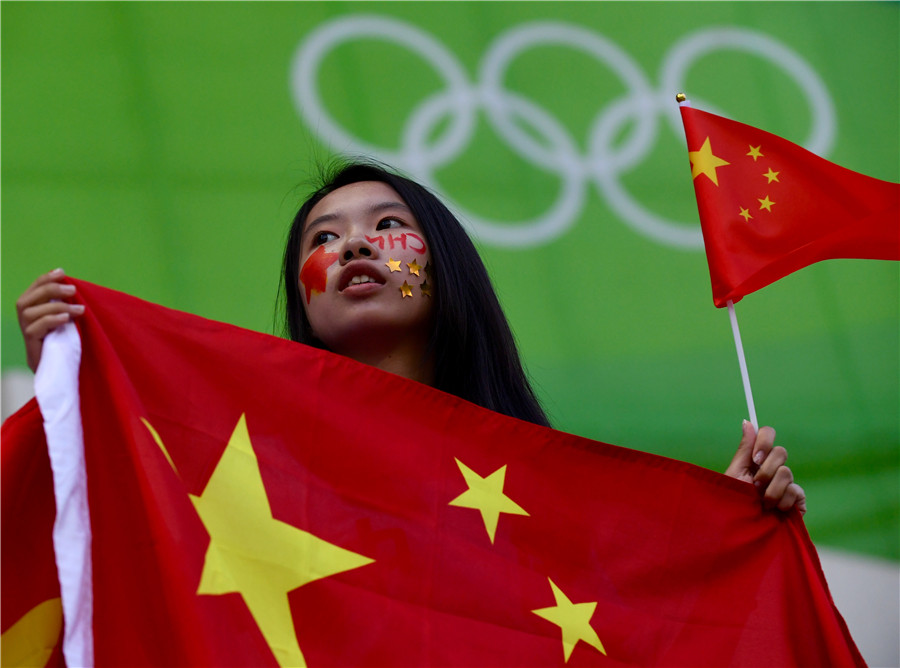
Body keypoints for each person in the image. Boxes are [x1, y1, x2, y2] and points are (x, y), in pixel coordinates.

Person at [16, 160, 806, 514]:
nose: (355, 247)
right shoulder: (243, 462)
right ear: (302, 292)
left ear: (448, 265)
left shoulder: (548, 488)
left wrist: (725, 523)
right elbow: (119, 529)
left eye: (388, 226)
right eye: (324, 238)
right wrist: (66, 388)